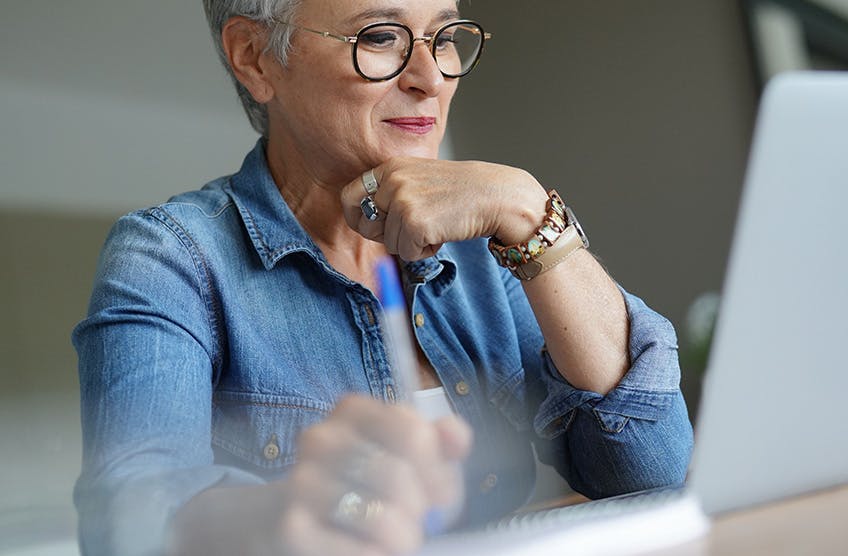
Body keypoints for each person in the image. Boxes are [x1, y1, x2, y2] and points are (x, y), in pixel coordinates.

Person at [72, 0, 694, 554]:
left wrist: (528, 211)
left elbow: (651, 468)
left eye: (444, 37)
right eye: (379, 37)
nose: (430, 80)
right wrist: (288, 513)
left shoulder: (483, 246)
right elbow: (128, 520)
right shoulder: (172, 256)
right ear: (255, 57)